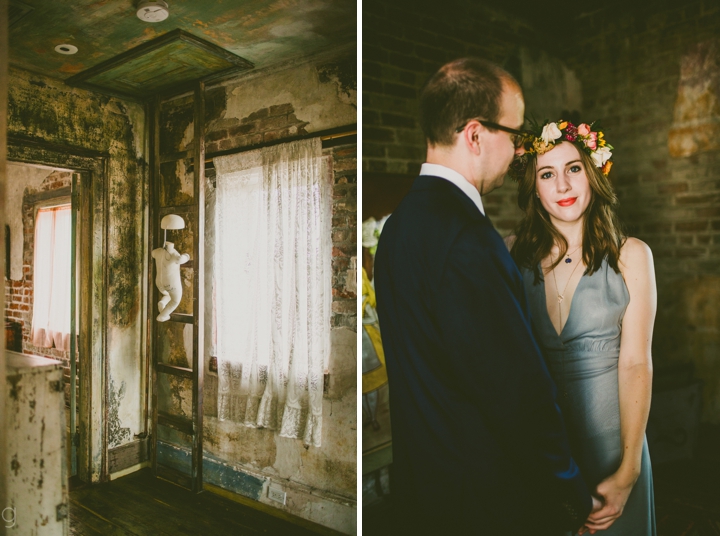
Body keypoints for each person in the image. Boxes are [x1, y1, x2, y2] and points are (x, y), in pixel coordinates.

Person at [373, 58, 598, 535]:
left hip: (425, 489)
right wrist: (570, 497)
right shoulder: (467, 238)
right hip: (483, 499)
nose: (520, 152)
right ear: (475, 134)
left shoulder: (398, 228)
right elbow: (516, 393)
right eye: (515, 136)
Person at [508, 120, 657, 535]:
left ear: (593, 172)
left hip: (615, 447)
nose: (562, 185)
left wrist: (627, 471)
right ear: (533, 187)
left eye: (573, 168)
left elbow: (635, 365)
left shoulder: (631, 256)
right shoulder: (509, 256)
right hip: (547, 452)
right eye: (547, 174)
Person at [152, 241, 190, 322]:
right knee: (175, 301)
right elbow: (182, 259)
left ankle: (162, 303)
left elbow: (152, 253)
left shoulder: (158, 251)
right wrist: (186, 256)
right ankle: (163, 316)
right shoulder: (174, 254)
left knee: (168, 295)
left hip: (159, 283)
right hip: (170, 284)